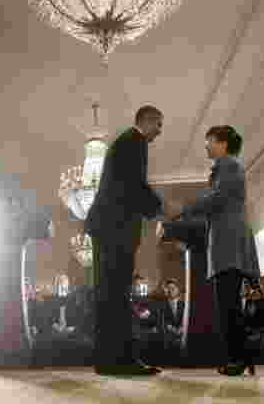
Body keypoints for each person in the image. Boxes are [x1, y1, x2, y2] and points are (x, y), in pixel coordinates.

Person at [84, 105, 167, 377]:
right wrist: (160, 209)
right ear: (148, 121)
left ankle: (108, 361)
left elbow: (126, 185)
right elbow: (135, 185)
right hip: (115, 229)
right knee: (117, 295)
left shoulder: (125, 142)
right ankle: (122, 361)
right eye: (159, 125)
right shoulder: (135, 141)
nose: (159, 132)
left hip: (107, 228)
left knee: (109, 295)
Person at [174, 125, 259, 377]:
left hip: (228, 244)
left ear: (222, 143)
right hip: (226, 243)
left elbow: (217, 199)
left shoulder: (229, 166)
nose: (206, 146)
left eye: (208, 141)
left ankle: (238, 359)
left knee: (228, 305)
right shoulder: (226, 167)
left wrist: (184, 209)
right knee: (228, 304)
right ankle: (239, 357)